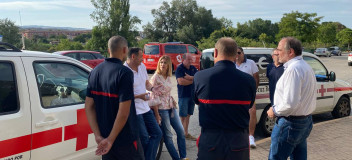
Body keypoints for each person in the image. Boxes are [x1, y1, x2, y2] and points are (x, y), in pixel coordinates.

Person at [194, 37, 256, 160]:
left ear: (215, 53)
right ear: (235, 55)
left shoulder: (200, 77)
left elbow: (197, 101)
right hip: (239, 142)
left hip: (210, 141)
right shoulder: (249, 80)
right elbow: (249, 105)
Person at [85, 36, 144, 160]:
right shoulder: (124, 73)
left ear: (108, 49)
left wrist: (98, 136)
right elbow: (123, 112)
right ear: (124, 50)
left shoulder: (94, 72)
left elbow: (89, 107)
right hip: (125, 139)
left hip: (104, 138)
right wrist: (111, 140)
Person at [267, 37, 317, 160]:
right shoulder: (304, 66)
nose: (277, 52)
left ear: (291, 52)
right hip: (304, 121)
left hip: (290, 124)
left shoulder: (293, 69)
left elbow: (290, 104)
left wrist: (275, 110)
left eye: (279, 49)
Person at [124, 47, 163, 160]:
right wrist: (139, 96)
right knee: (144, 138)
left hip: (145, 108)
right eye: (141, 56)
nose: (143, 59)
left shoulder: (142, 66)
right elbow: (123, 96)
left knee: (158, 134)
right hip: (134, 110)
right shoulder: (124, 71)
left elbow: (146, 83)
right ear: (133, 56)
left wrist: (153, 88)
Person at [150, 55, 188, 160]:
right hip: (161, 109)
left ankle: (183, 157)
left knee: (181, 131)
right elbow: (152, 97)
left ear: (169, 65)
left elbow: (167, 91)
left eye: (165, 63)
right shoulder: (155, 77)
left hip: (171, 107)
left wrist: (172, 100)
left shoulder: (169, 76)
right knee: (168, 137)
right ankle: (177, 158)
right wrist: (157, 115)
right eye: (161, 62)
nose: (162, 64)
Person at [235, 47, 259, 148]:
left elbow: (256, 78)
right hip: (235, 94)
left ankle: (251, 137)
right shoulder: (232, 64)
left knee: (252, 112)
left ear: (243, 53)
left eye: (239, 53)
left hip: (248, 93)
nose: (237, 55)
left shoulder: (251, 63)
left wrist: (253, 91)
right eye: (235, 53)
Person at [175, 53, 198, 141]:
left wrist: (190, 78)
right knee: (182, 116)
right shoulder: (179, 69)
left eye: (191, 59)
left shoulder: (193, 68)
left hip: (192, 95)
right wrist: (193, 80)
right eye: (189, 59)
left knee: (188, 115)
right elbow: (181, 82)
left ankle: (185, 133)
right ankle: (180, 135)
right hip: (183, 96)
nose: (191, 61)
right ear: (183, 60)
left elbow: (198, 77)